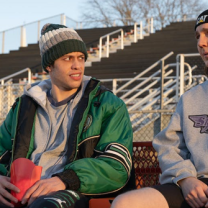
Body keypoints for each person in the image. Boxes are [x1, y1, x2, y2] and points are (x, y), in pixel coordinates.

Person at [0, 23, 133, 208]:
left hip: (73, 190)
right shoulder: (23, 107)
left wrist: (66, 179)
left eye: (80, 57)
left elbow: (117, 165)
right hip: (22, 190)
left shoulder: (107, 105)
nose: (77, 65)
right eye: (68, 58)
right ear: (49, 66)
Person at [111, 9, 208, 208]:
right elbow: (169, 145)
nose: (201, 43)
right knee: (125, 203)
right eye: (198, 36)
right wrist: (185, 179)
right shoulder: (190, 98)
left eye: (207, 33)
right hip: (195, 184)